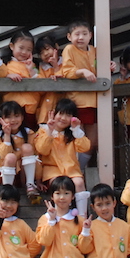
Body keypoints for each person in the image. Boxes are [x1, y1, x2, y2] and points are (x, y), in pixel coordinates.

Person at [33, 98, 92, 214]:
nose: (64, 118)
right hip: (52, 171)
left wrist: (76, 129)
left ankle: (82, 215)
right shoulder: (43, 130)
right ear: (54, 114)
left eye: (68, 115)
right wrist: (50, 131)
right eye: (61, 113)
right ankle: (59, 214)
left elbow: (85, 147)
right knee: (59, 185)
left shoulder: (72, 133)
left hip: (71, 170)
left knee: (79, 183)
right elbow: (42, 150)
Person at [58, 19, 101, 162]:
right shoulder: (69, 49)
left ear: (90, 35)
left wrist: (110, 66)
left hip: (95, 101)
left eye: (84, 34)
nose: (81, 37)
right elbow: (67, 71)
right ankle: (76, 170)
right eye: (77, 34)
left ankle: (82, 168)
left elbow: (99, 69)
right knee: (77, 139)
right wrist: (82, 71)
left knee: (92, 142)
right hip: (77, 101)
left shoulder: (95, 51)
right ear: (69, 37)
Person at [0, 100, 37, 194]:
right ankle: (7, 190)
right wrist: (7, 135)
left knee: (27, 147)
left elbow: (34, 154)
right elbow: (4, 155)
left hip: (24, 172)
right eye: (8, 117)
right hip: (7, 171)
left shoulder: (29, 133)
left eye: (16, 116)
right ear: (1, 119)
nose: (13, 120)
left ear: (22, 117)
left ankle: (30, 184)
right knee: (10, 157)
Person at [1, 30, 40, 130]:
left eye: (28, 49)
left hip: (31, 108)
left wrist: (31, 70)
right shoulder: (5, 64)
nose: (24, 52)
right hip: (12, 109)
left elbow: (40, 80)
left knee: (30, 134)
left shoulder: (34, 65)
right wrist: (7, 76)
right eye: (21, 48)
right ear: (12, 46)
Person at [33, 34, 64, 126]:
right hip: (46, 109)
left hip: (62, 107)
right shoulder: (42, 67)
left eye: (47, 49)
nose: (45, 54)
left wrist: (55, 67)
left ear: (56, 47)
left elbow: (65, 83)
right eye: (41, 53)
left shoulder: (66, 62)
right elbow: (40, 89)